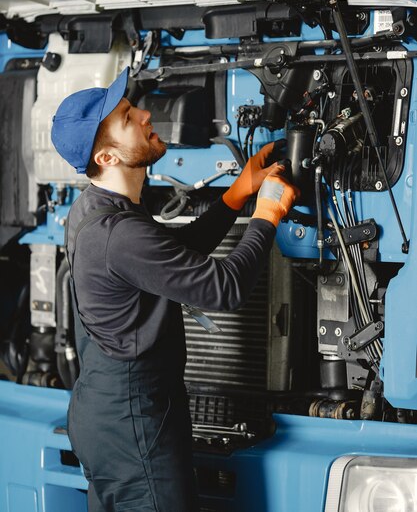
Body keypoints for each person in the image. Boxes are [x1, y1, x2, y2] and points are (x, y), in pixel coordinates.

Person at [51, 66, 298, 512]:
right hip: (133, 426)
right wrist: (267, 216)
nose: (146, 115)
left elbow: (168, 257)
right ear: (106, 157)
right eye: (128, 118)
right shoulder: (117, 232)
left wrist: (235, 196)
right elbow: (223, 290)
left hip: (107, 413)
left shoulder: (98, 208)